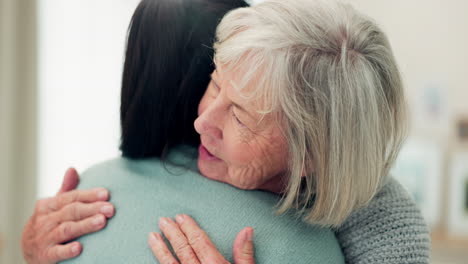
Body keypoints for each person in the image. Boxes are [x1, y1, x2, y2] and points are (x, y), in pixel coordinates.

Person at [22, 0, 431, 263]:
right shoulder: (183, 141)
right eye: (215, 84)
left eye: (240, 116)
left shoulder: (386, 227)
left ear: (312, 154)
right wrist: (33, 250)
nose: (202, 122)